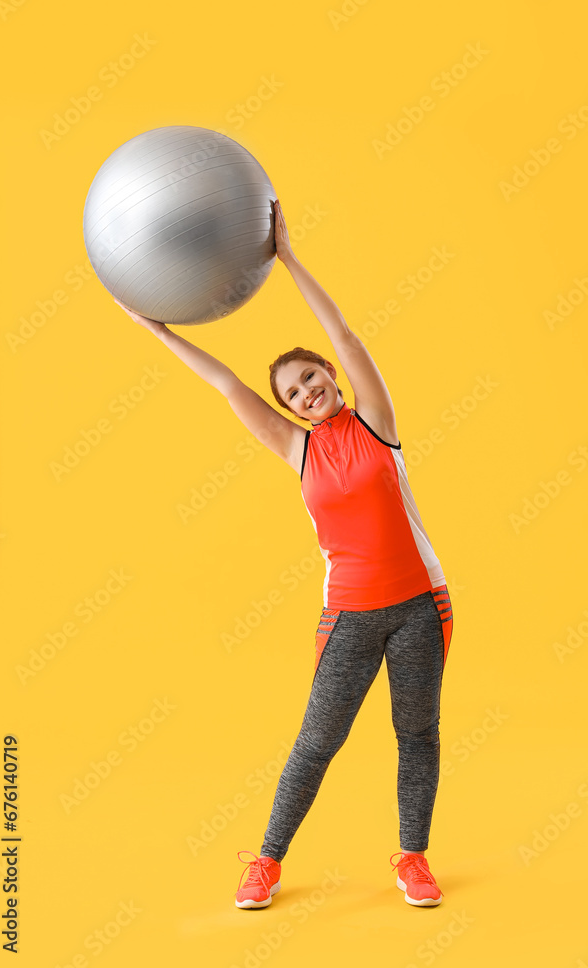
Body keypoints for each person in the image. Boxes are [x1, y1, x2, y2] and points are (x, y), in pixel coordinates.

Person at [113, 199, 453, 909]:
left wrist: (289, 257)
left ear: (330, 374)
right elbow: (226, 385)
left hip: (421, 606)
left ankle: (413, 858)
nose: (307, 391)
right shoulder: (297, 449)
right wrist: (157, 329)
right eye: (294, 392)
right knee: (315, 743)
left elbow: (347, 333)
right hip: (352, 618)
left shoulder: (375, 424)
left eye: (312, 377)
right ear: (292, 408)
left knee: (416, 731)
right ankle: (265, 862)